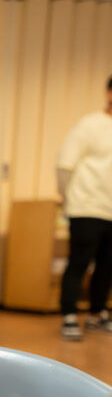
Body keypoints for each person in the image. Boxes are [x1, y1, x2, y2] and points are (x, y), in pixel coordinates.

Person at [56, 76, 112, 341]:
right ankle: (69, 315)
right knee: (78, 263)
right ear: (109, 93)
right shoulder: (90, 124)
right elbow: (65, 164)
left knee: (107, 266)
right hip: (86, 206)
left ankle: (97, 313)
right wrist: (68, 199)